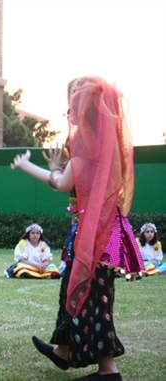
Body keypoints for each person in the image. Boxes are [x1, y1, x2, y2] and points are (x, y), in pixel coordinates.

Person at [11, 76, 144, 381]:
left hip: (92, 235)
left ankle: (108, 370)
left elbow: (62, 184)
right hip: (104, 230)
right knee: (82, 290)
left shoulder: (85, 142)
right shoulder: (110, 141)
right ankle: (65, 351)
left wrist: (44, 166)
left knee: (91, 295)